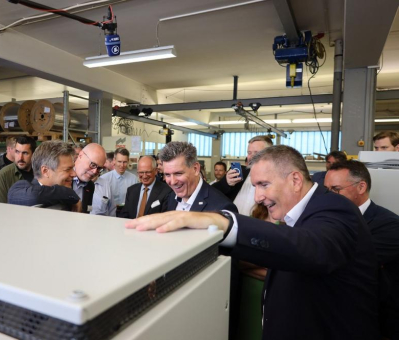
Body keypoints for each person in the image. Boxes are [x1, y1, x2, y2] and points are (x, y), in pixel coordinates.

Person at [127, 145, 379, 340]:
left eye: (264, 185)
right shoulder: (301, 211)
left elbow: (310, 248)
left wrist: (224, 222)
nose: (258, 197)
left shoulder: (337, 210)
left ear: (295, 180)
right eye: (255, 186)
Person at [325, 160, 399, 339]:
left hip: (374, 321)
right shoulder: (324, 220)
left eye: (335, 189)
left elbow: (347, 261)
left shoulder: (389, 225)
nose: (328, 196)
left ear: (361, 187)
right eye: (325, 190)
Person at [160, 142, 237, 213]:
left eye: (178, 173)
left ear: (196, 169)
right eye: (167, 175)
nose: (173, 182)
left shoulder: (222, 208)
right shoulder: (170, 197)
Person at [8, 141, 81, 210]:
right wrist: (71, 195)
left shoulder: (67, 196)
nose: (74, 174)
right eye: (67, 169)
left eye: (73, 168)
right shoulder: (20, 189)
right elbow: (35, 196)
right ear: (45, 171)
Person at [213, 135, 273, 215]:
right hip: (232, 222)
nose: (251, 156)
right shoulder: (240, 173)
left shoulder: (275, 179)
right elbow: (212, 192)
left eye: (256, 153)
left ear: (269, 155)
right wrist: (226, 183)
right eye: (249, 153)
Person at [73, 143, 115, 216]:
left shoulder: (90, 185)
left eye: (99, 168)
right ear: (81, 155)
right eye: (93, 165)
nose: (95, 171)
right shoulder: (63, 177)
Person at [0, 136, 36, 203]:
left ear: (33, 154)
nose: (20, 158)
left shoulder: (41, 173)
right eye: (17, 152)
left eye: (25, 153)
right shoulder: (3, 176)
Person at [100, 147, 138, 216]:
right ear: (114, 160)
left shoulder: (134, 179)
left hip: (128, 215)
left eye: (125, 162)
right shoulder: (104, 179)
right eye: (119, 161)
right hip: (109, 215)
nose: (122, 165)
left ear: (128, 161)